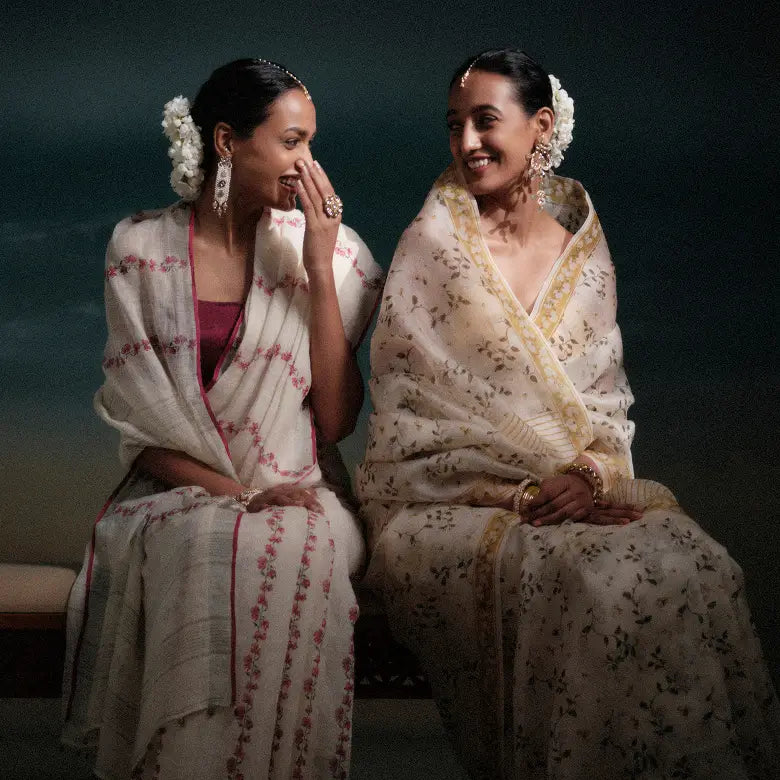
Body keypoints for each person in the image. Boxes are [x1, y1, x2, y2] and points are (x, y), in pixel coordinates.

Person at [356, 48, 779, 779]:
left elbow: (605, 402)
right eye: (454, 125)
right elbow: (409, 424)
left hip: (574, 496)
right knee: (599, 584)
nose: (466, 143)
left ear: (541, 126)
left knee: (699, 565)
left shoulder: (581, 246)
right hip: (445, 508)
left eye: (485, 121)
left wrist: (586, 475)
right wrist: (521, 495)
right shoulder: (434, 246)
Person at [62, 58, 382, 779]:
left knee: (295, 545)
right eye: (293, 141)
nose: (309, 164)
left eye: (311, 142)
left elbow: (334, 421)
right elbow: (144, 434)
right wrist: (238, 495)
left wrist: (318, 266)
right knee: (212, 545)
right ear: (227, 142)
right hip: (178, 494)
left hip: (300, 487)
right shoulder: (140, 250)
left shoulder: (337, 254)